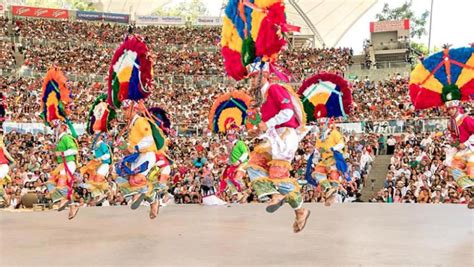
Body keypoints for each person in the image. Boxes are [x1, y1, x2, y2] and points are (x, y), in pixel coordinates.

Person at [245, 63, 311, 233]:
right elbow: (268, 126)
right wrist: (257, 133)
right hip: (273, 138)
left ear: (264, 75)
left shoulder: (274, 89)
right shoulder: (262, 98)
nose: (251, 81)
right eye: (250, 78)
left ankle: (295, 207)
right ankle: (291, 205)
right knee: (254, 164)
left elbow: (287, 113)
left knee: (277, 176)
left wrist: (266, 125)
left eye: (253, 77)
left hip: (285, 137)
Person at [115, 101, 160, 218]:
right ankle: (153, 200)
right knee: (131, 181)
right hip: (137, 157)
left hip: (147, 154)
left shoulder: (140, 121)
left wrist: (134, 147)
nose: (123, 112)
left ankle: (138, 196)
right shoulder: (131, 126)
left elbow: (149, 139)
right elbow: (130, 148)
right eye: (123, 109)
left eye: (125, 109)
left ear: (133, 109)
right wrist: (123, 147)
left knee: (137, 180)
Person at [45, 123, 80, 219]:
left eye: (56, 127)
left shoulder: (66, 137)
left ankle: (66, 201)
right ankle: (71, 205)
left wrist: (61, 153)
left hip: (68, 163)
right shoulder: (60, 140)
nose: (54, 129)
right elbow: (57, 155)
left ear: (62, 128)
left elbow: (74, 150)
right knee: (52, 182)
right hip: (62, 164)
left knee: (62, 182)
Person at [445, 100, 474, 208]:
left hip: (471, 148)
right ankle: (472, 195)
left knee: (471, 170)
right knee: (455, 169)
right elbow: (454, 138)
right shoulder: (450, 123)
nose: (450, 111)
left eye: (452, 108)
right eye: (448, 109)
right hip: (462, 151)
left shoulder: (466, 119)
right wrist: (454, 146)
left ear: (457, 108)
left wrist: (466, 143)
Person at [311, 121, 348, 206]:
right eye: (319, 125)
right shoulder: (319, 137)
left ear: (326, 124)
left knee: (333, 177)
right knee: (318, 173)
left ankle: (332, 199)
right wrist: (316, 156)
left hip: (334, 158)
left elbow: (341, 144)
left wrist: (332, 149)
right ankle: (328, 189)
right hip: (324, 160)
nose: (320, 127)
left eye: (321, 124)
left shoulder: (334, 133)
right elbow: (318, 149)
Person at [218, 118, 248, 200]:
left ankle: (246, 193)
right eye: (228, 135)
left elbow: (245, 153)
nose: (228, 137)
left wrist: (239, 161)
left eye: (230, 135)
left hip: (243, 163)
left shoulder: (240, 143)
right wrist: (225, 162)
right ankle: (237, 194)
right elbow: (231, 157)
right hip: (234, 164)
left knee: (237, 178)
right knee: (227, 179)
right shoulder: (229, 145)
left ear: (235, 135)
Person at [80, 133, 112, 205]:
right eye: (94, 135)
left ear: (100, 137)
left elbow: (107, 155)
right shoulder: (95, 147)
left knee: (98, 177)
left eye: (96, 135)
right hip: (97, 165)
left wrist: (100, 158)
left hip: (104, 164)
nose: (94, 137)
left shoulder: (102, 145)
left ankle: (107, 189)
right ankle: (100, 195)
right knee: (93, 180)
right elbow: (92, 156)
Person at [0, 134, 14, 206]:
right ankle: (6, 202)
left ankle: (6, 202)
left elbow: (6, 153)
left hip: (2, 165)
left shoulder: (1, 145)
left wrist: (12, 160)